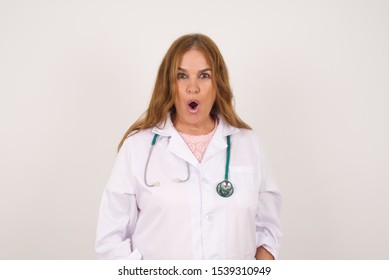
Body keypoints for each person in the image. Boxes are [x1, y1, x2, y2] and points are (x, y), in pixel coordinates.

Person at [95, 33, 282, 260]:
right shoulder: (137, 149)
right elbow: (110, 239)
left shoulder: (249, 145)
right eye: (182, 76)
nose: (193, 87)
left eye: (204, 75)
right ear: (169, 84)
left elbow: (268, 230)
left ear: (218, 83)